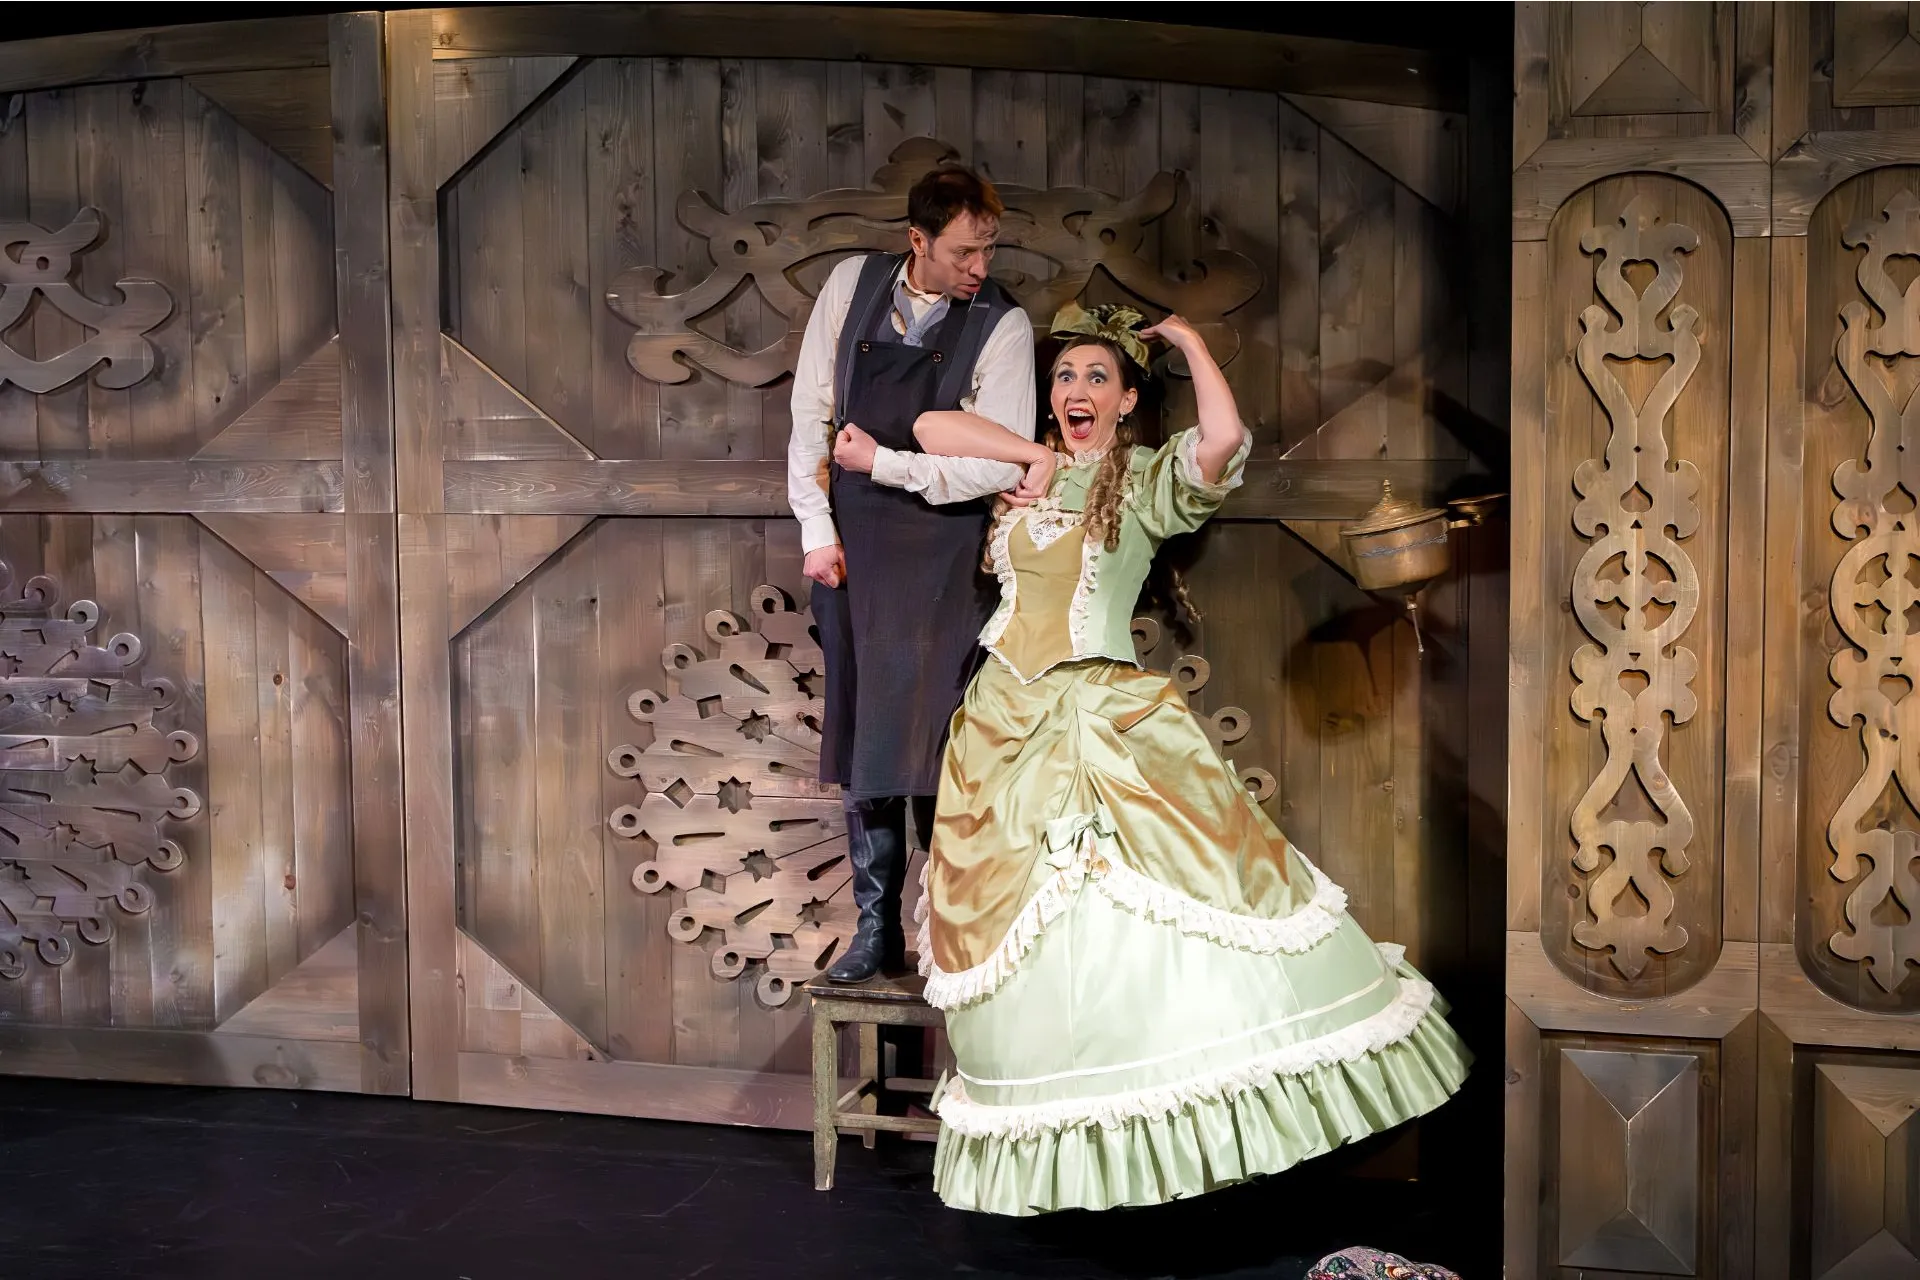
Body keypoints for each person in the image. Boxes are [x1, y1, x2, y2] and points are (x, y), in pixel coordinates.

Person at [891, 303, 1471, 1215]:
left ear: (1126, 400)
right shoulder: (1022, 475)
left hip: (1101, 705)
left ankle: (1166, 1124)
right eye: (1064, 375)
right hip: (1001, 720)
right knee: (1027, 931)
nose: (1076, 390)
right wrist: (1028, 457)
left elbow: (1223, 438)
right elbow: (928, 426)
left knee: (1153, 909)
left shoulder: (1143, 478)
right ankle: (1066, 1135)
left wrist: (1190, 344)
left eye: (1097, 377)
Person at [787, 165, 1037, 984]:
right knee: (863, 733)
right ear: (916, 239)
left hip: (945, 555)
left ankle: (943, 929)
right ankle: (874, 930)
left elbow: (997, 464)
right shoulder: (850, 287)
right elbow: (810, 415)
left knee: (936, 742)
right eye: (964, 252)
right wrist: (816, 528)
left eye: (988, 251)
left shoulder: (1002, 325)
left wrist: (887, 464)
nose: (979, 269)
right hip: (855, 551)